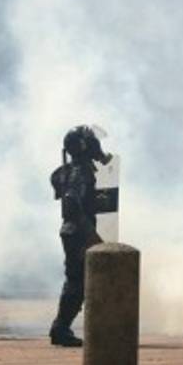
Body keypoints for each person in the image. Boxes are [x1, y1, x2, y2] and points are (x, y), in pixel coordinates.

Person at [48, 125, 111, 347]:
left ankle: (62, 327)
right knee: (77, 282)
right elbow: (73, 203)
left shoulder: (76, 169)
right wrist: (90, 234)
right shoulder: (80, 172)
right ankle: (60, 328)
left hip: (75, 231)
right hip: (78, 232)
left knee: (79, 281)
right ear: (83, 147)